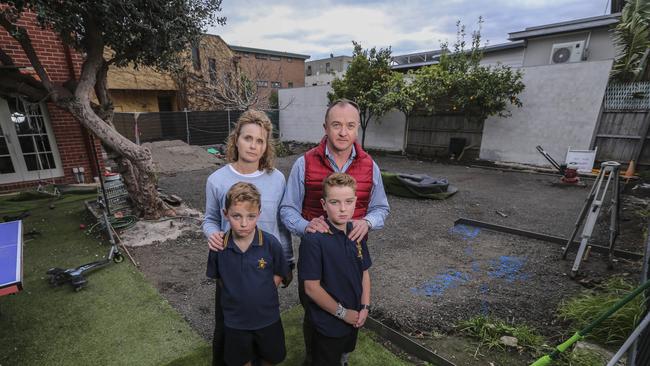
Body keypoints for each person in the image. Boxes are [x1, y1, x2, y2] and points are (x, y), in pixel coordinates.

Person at [280, 99, 389, 365]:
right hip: (317, 257)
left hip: (351, 254)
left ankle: (341, 357)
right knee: (316, 316)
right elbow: (286, 209)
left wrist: (368, 222)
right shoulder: (304, 163)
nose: (343, 132)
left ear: (357, 129)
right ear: (325, 127)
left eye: (350, 126)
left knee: (349, 311)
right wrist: (306, 226)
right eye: (337, 125)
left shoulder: (369, 165)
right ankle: (315, 357)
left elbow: (381, 208)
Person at [203, 110, 293, 366]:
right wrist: (213, 235)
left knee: (265, 332)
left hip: (266, 268)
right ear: (236, 139)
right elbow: (210, 219)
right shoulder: (216, 180)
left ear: (266, 146)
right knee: (232, 335)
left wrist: (286, 264)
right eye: (248, 138)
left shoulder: (276, 179)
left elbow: (281, 223)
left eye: (260, 141)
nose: (253, 146)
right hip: (232, 269)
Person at [207, 182, 289, 366]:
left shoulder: (271, 243)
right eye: (237, 216)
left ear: (259, 214)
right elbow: (220, 280)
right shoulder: (218, 247)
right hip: (235, 322)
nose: (244, 223)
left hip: (268, 318)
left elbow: (280, 272)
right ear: (225, 214)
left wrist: (262, 291)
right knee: (240, 360)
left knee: (271, 357)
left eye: (251, 216)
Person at [298, 173, 371, 366]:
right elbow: (311, 288)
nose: (343, 208)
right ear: (323, 204)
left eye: (348, 201)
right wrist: (343, 313)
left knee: (344, 353)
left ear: (356, 201)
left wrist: (365, 306)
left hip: (354, 316)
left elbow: (364, 272)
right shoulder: (313, 239)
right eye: (335, 202)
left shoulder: (358, 233)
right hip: (328, 323)